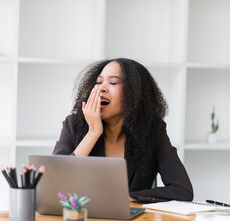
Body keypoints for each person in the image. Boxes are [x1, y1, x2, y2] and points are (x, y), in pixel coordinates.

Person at [53, 58, 193, 202]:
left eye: (113, 82)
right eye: (99, 82)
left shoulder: (153, 130)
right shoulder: (74, 125)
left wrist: (129, 197)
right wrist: (93, 133)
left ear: (134, 93)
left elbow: (182, 190)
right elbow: (53, 184)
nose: (102, 88)